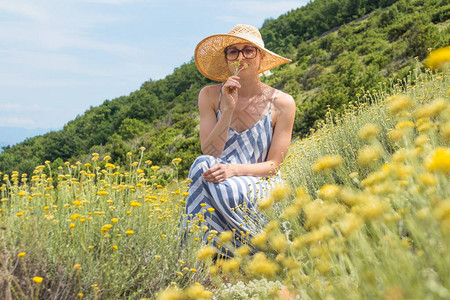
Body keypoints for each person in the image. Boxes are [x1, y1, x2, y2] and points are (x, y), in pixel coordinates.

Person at [182, 24, 296, 257]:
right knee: (202, 164)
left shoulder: (283, 103)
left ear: (260, 57)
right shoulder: (210, 95)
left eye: (248, 50)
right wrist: (227, 110)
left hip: (258, 182)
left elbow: (274, 166)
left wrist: (234, 170)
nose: (240, 57)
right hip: (217, 178)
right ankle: (204, 256)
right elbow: (211, 151)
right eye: (233, 51)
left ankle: (240, 251)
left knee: (210, 177)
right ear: (226, 59)